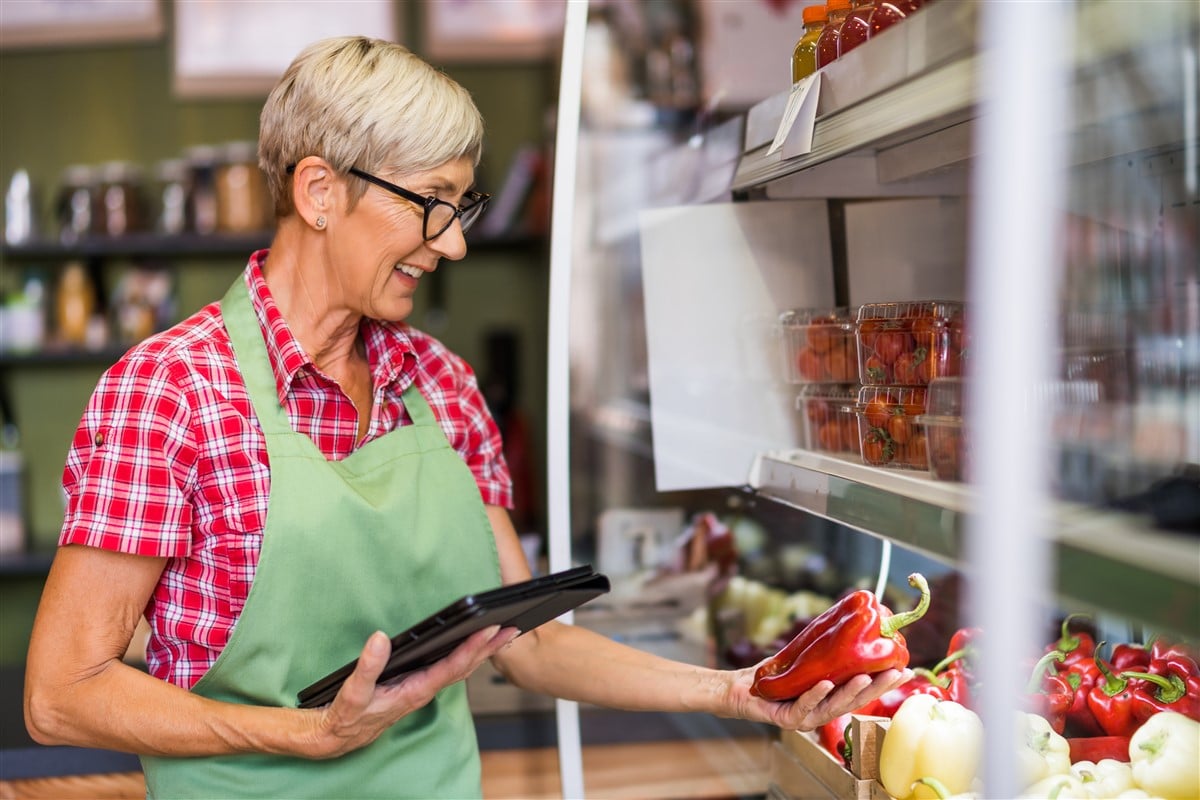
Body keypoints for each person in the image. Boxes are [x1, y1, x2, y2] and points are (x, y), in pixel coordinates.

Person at [24, 36, 908, 799]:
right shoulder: (171, 393)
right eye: (431, 203)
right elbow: (61, 693)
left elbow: (523, 649)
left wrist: (734, 690)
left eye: (463, 206)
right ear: (320, 191)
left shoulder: (439, 383)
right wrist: (303, 734)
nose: (453, 242)